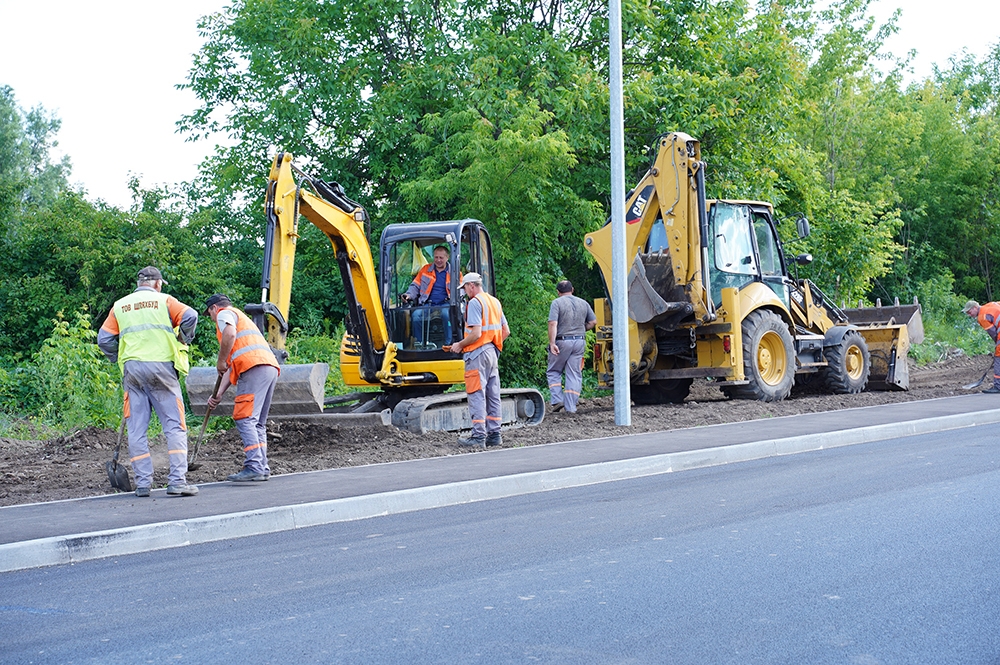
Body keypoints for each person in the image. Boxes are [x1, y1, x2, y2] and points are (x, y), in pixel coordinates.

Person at [98, 266, 199, 497]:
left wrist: (118, 357)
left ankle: (143, 484)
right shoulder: (165, 301)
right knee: (174, 425)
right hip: (161, 367)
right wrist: (184, 338)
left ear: (139, 283)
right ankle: (176, 482)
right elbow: (190, 316)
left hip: (132, 370)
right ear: (158, 283)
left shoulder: (120, 306)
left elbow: (104, 339)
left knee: (136, 429)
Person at [205, 294, 281, 481]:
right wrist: (219, 394)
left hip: (253, 368)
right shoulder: (243, 320)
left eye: (209, 314)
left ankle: (254, 465)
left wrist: (220, 359)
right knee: (258, 423)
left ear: (214, 308)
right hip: (268, 367)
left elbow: (229, 336)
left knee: (244, 418)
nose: (212, 319)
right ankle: (261, 467)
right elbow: (231, 367)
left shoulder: (224, 314)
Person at [444, 272, 509, 447]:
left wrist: (459, 345)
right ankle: (495, 434)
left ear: (472, 285)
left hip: (476, 354)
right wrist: (492, 347)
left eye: (465, 287)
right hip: (492, 353)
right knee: (493, 393)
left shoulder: (475, 303)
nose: (465, 291)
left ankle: (478, 436)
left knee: (476, 394)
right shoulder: (494, 301)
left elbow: (476, 333)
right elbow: (506, 331)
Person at [547, 280, 597, 414]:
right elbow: (593, 322)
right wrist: (581, 329)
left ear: (558, 292)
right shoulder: (583, 303)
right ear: (572, 289)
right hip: (579, 341)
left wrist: (552, 343)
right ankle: (571, 408)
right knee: (574, 374)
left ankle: (558, 400)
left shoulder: (557, 303)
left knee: (553, 371)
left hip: (562, 341)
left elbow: (552, 324)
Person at [401, 245, 454, 346]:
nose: (438, 260)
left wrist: (454, 297)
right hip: (427, 303)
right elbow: (415, 286)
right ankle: (419, 343)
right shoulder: (425, 269)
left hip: (446, 303)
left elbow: (461, 289)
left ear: (447, 258)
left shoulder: (454, 272)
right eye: (436, 257)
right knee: (416, 316)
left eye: (441, 258)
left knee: (446, 315)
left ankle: (449, 343)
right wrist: (408, 295)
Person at [963, 300, 1000, 393]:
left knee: (998, 359)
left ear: (975, 307)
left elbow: (994, 334)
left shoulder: (982, 317)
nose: (969, 315)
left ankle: (998, 386)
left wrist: (997, 345)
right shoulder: (991, 304)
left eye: (969, 312)